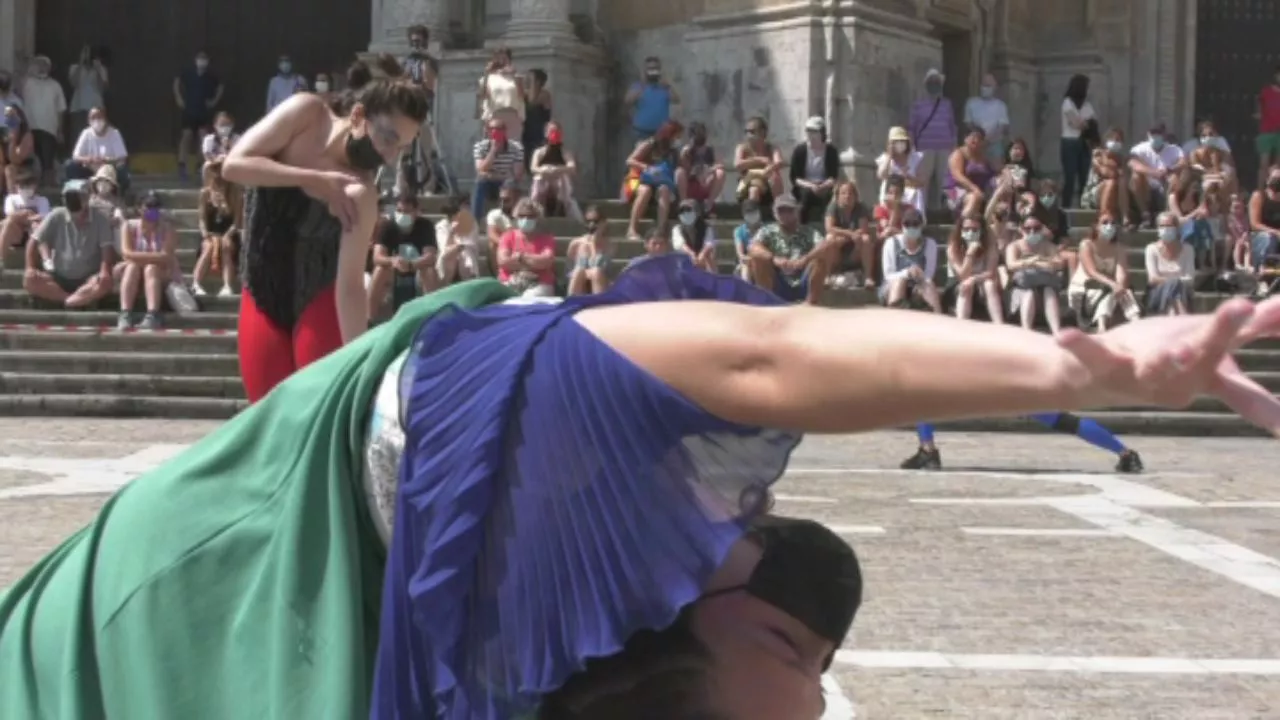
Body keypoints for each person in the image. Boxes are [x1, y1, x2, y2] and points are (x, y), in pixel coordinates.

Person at [2, 253, 1277, 720]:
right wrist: (1073, 360)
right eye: (814, 681)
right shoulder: (590, 415)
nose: (822, 703)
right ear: (759, 621)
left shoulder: (587, 644)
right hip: (136, 607)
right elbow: (777, 354)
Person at [222, 56, 429, 403]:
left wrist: (360, 363)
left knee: (319, 409)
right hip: (261, 288)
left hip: (318, 299)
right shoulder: (306, 114)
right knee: (264, 410)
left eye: (402, 148)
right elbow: (234, 165)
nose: (391, 157)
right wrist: (315, 180)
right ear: (360, 116)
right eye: (389, 138)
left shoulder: (361, 191)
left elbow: (349, 286)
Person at [902, 411, 1145, 473]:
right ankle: (1125, 454)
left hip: (985, 387)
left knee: (921, 398)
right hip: (1017, 384)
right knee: (1066, 422)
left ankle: (928, 451)